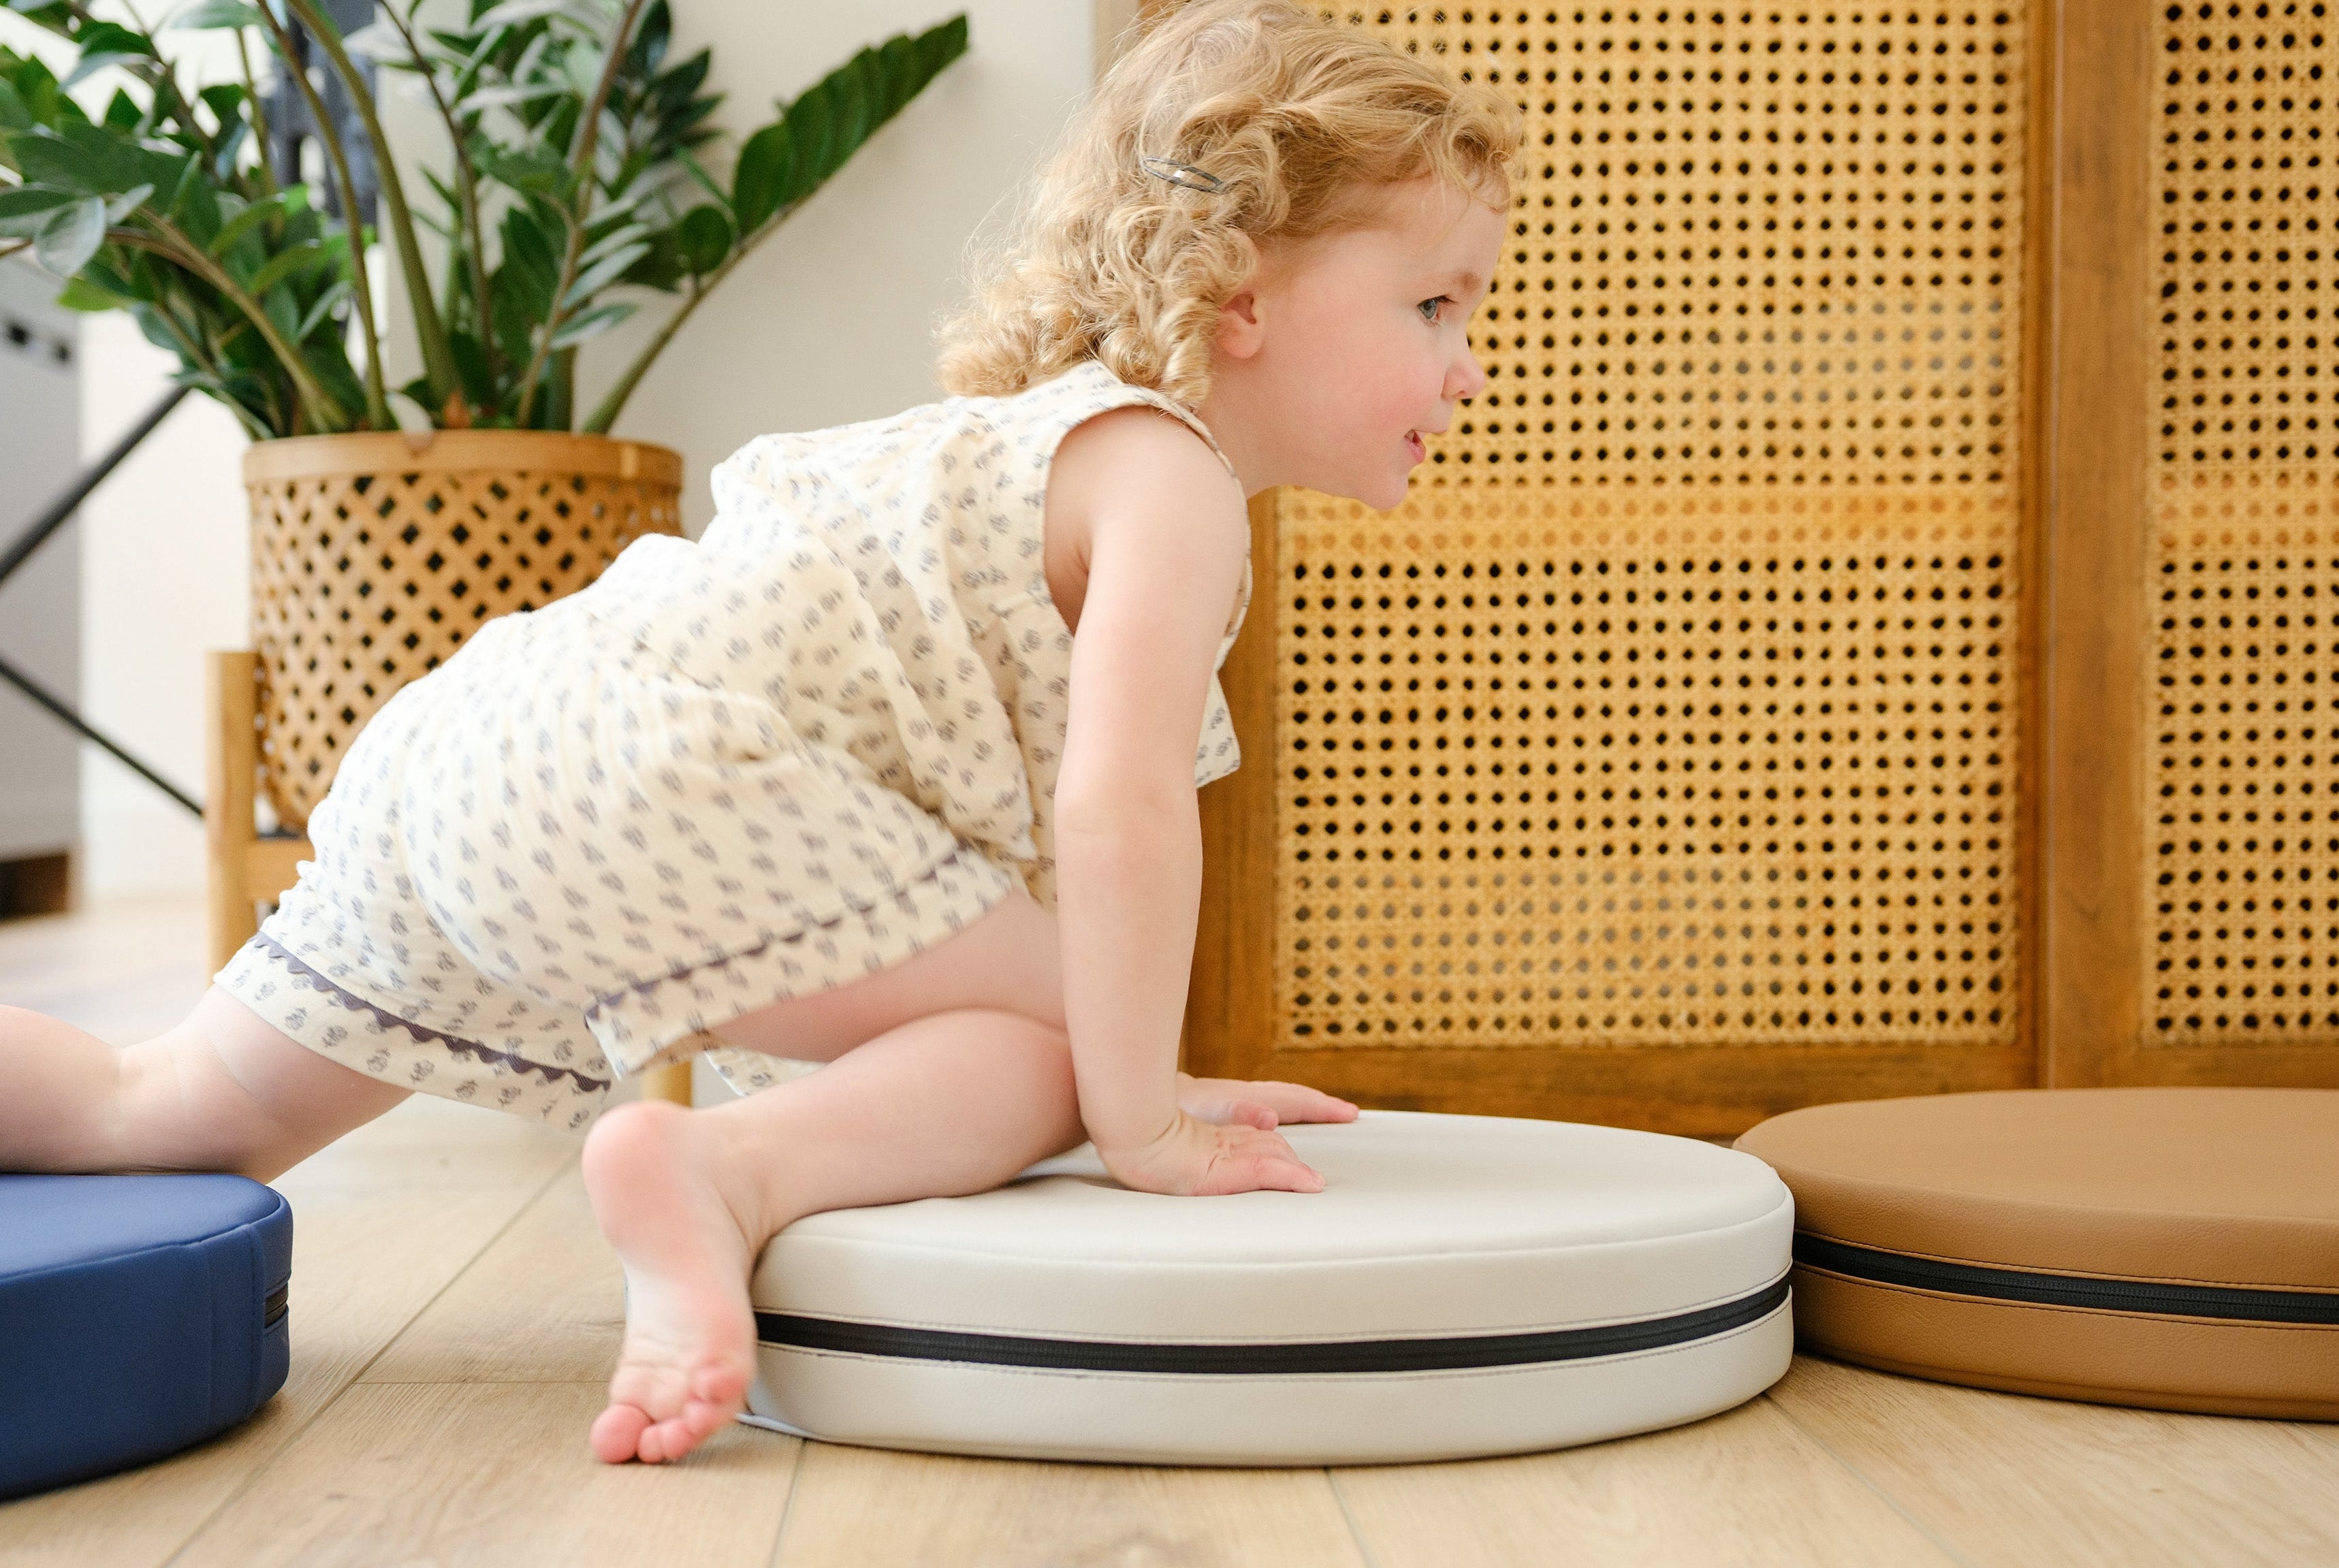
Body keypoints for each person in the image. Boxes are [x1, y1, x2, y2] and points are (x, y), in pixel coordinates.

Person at [0, 0, 1519, 1466]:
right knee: (1072, 1040)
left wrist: (1141, 1079)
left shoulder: (1047, 438)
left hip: (479, 745)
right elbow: (1118, 813)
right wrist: (1146, 1119)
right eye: (1434, 305)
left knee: (167, 1104)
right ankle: (717, 1175)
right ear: (1244, 294)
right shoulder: (1171, 485)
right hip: (643, 771)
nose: (1469, 365)